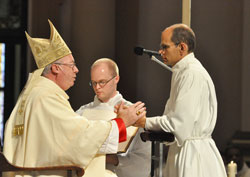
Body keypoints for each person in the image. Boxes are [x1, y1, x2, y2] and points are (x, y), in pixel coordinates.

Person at [2, 20, 146, 177]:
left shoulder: (34, 93)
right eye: (71, 65)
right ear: (56, 68)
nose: (76, 70)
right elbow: (78, 139)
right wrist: (121, 123)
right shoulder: (46, 97)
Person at [133, 23, 227, 177]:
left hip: (193, 158)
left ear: (182, 47)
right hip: (183, 151)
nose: (160, 52)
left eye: (165, 47)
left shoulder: (191, 74)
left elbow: (178, 124)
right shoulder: (182, 72)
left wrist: (144, 122)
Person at [76, 58, 151, 177]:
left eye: (102, 82)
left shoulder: (132, 112)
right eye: (94, 83)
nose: (97, 87)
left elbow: (143, 161)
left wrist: (115, 160)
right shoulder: (82, 112)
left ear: (116, 79)